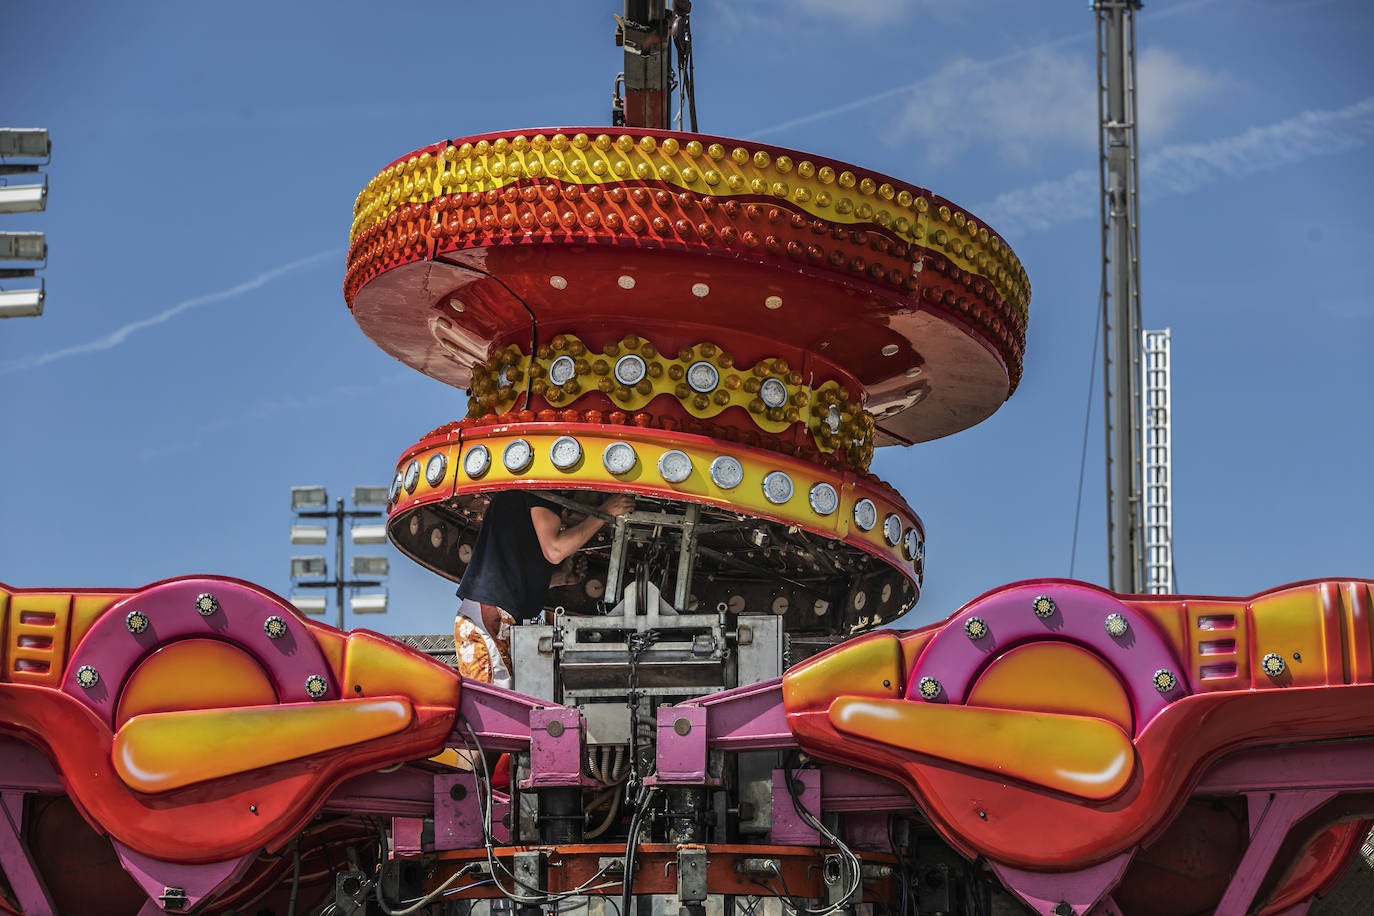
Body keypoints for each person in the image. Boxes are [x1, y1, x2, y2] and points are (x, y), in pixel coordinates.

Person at [454, 489, 634, 686]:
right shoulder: (544, 490)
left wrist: (562, 577)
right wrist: (605, 511)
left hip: (490, 620)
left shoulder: (515, 502)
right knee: (493, 705)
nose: (563, 518)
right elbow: (555, 550)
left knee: (502, 702)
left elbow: (516, 577)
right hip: (488, 623)